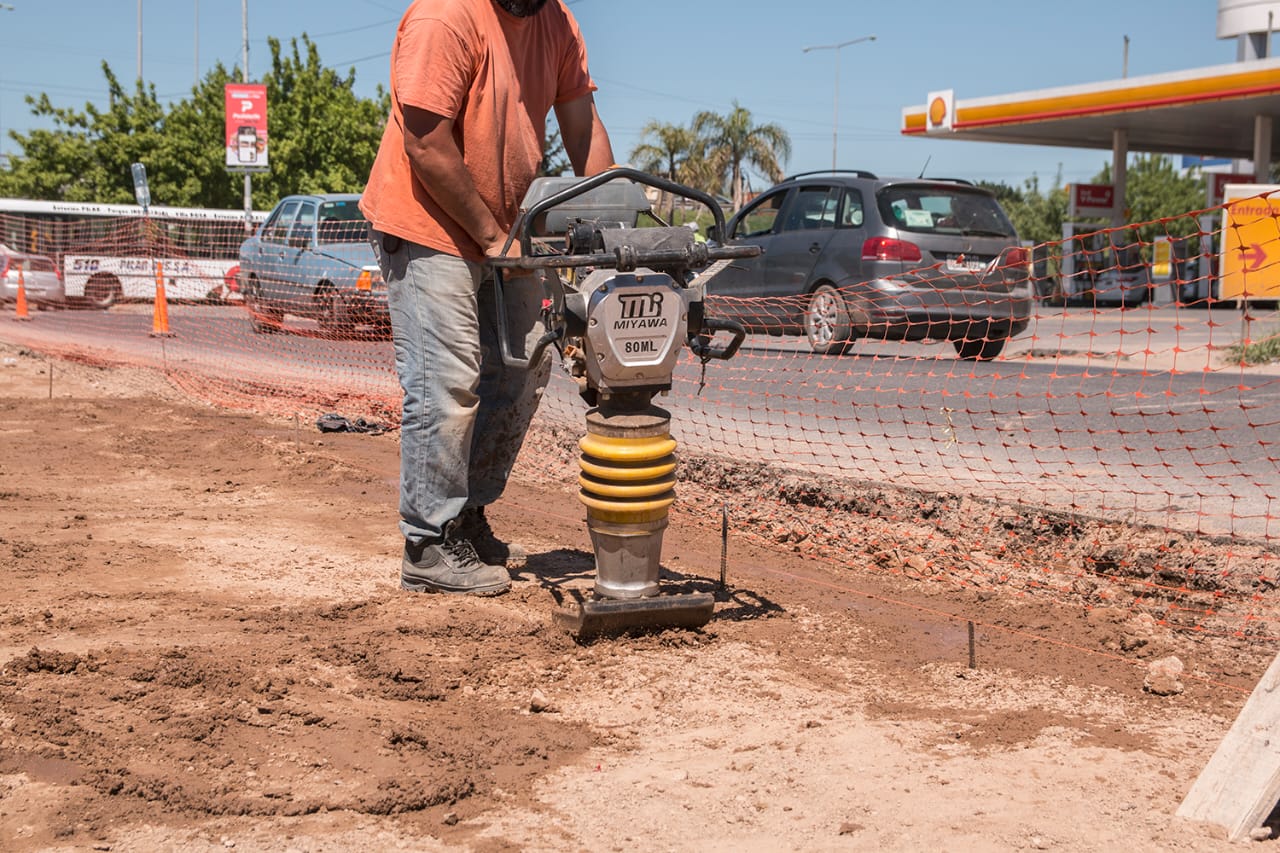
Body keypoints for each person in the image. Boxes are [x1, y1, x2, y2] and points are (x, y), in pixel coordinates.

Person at [361, 0, 615, 596]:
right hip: (426, 224)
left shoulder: (556, 21)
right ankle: (427, 542)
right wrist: (492, 238)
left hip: (503, 230)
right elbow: (424, 142)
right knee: (447, 381)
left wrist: (611, 226)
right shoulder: (444, 16)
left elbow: (582, 127)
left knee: (524, 365)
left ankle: (466, 518)